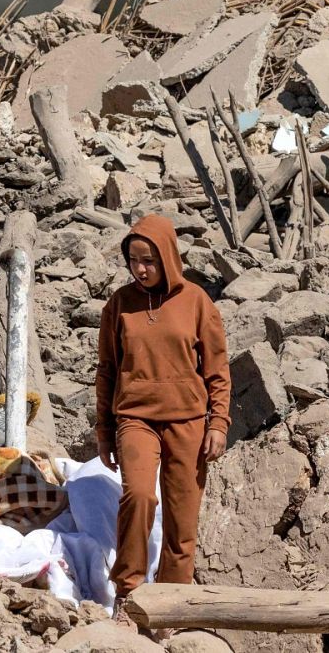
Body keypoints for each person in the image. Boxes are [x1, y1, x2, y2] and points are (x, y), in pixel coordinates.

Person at [95, 213, 231, 621]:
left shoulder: (196, 302)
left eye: (148, 261)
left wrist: (218, 423)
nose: (140, 269)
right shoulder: (119, 305)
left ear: (168, 258)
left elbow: (218, 369)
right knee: (139, 495)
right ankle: (129, 592)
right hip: (135, 418)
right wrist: (104, 432)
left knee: (181, 518)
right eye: (134, 260)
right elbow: (106, 370)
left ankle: (172, 604)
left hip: (188, 420)